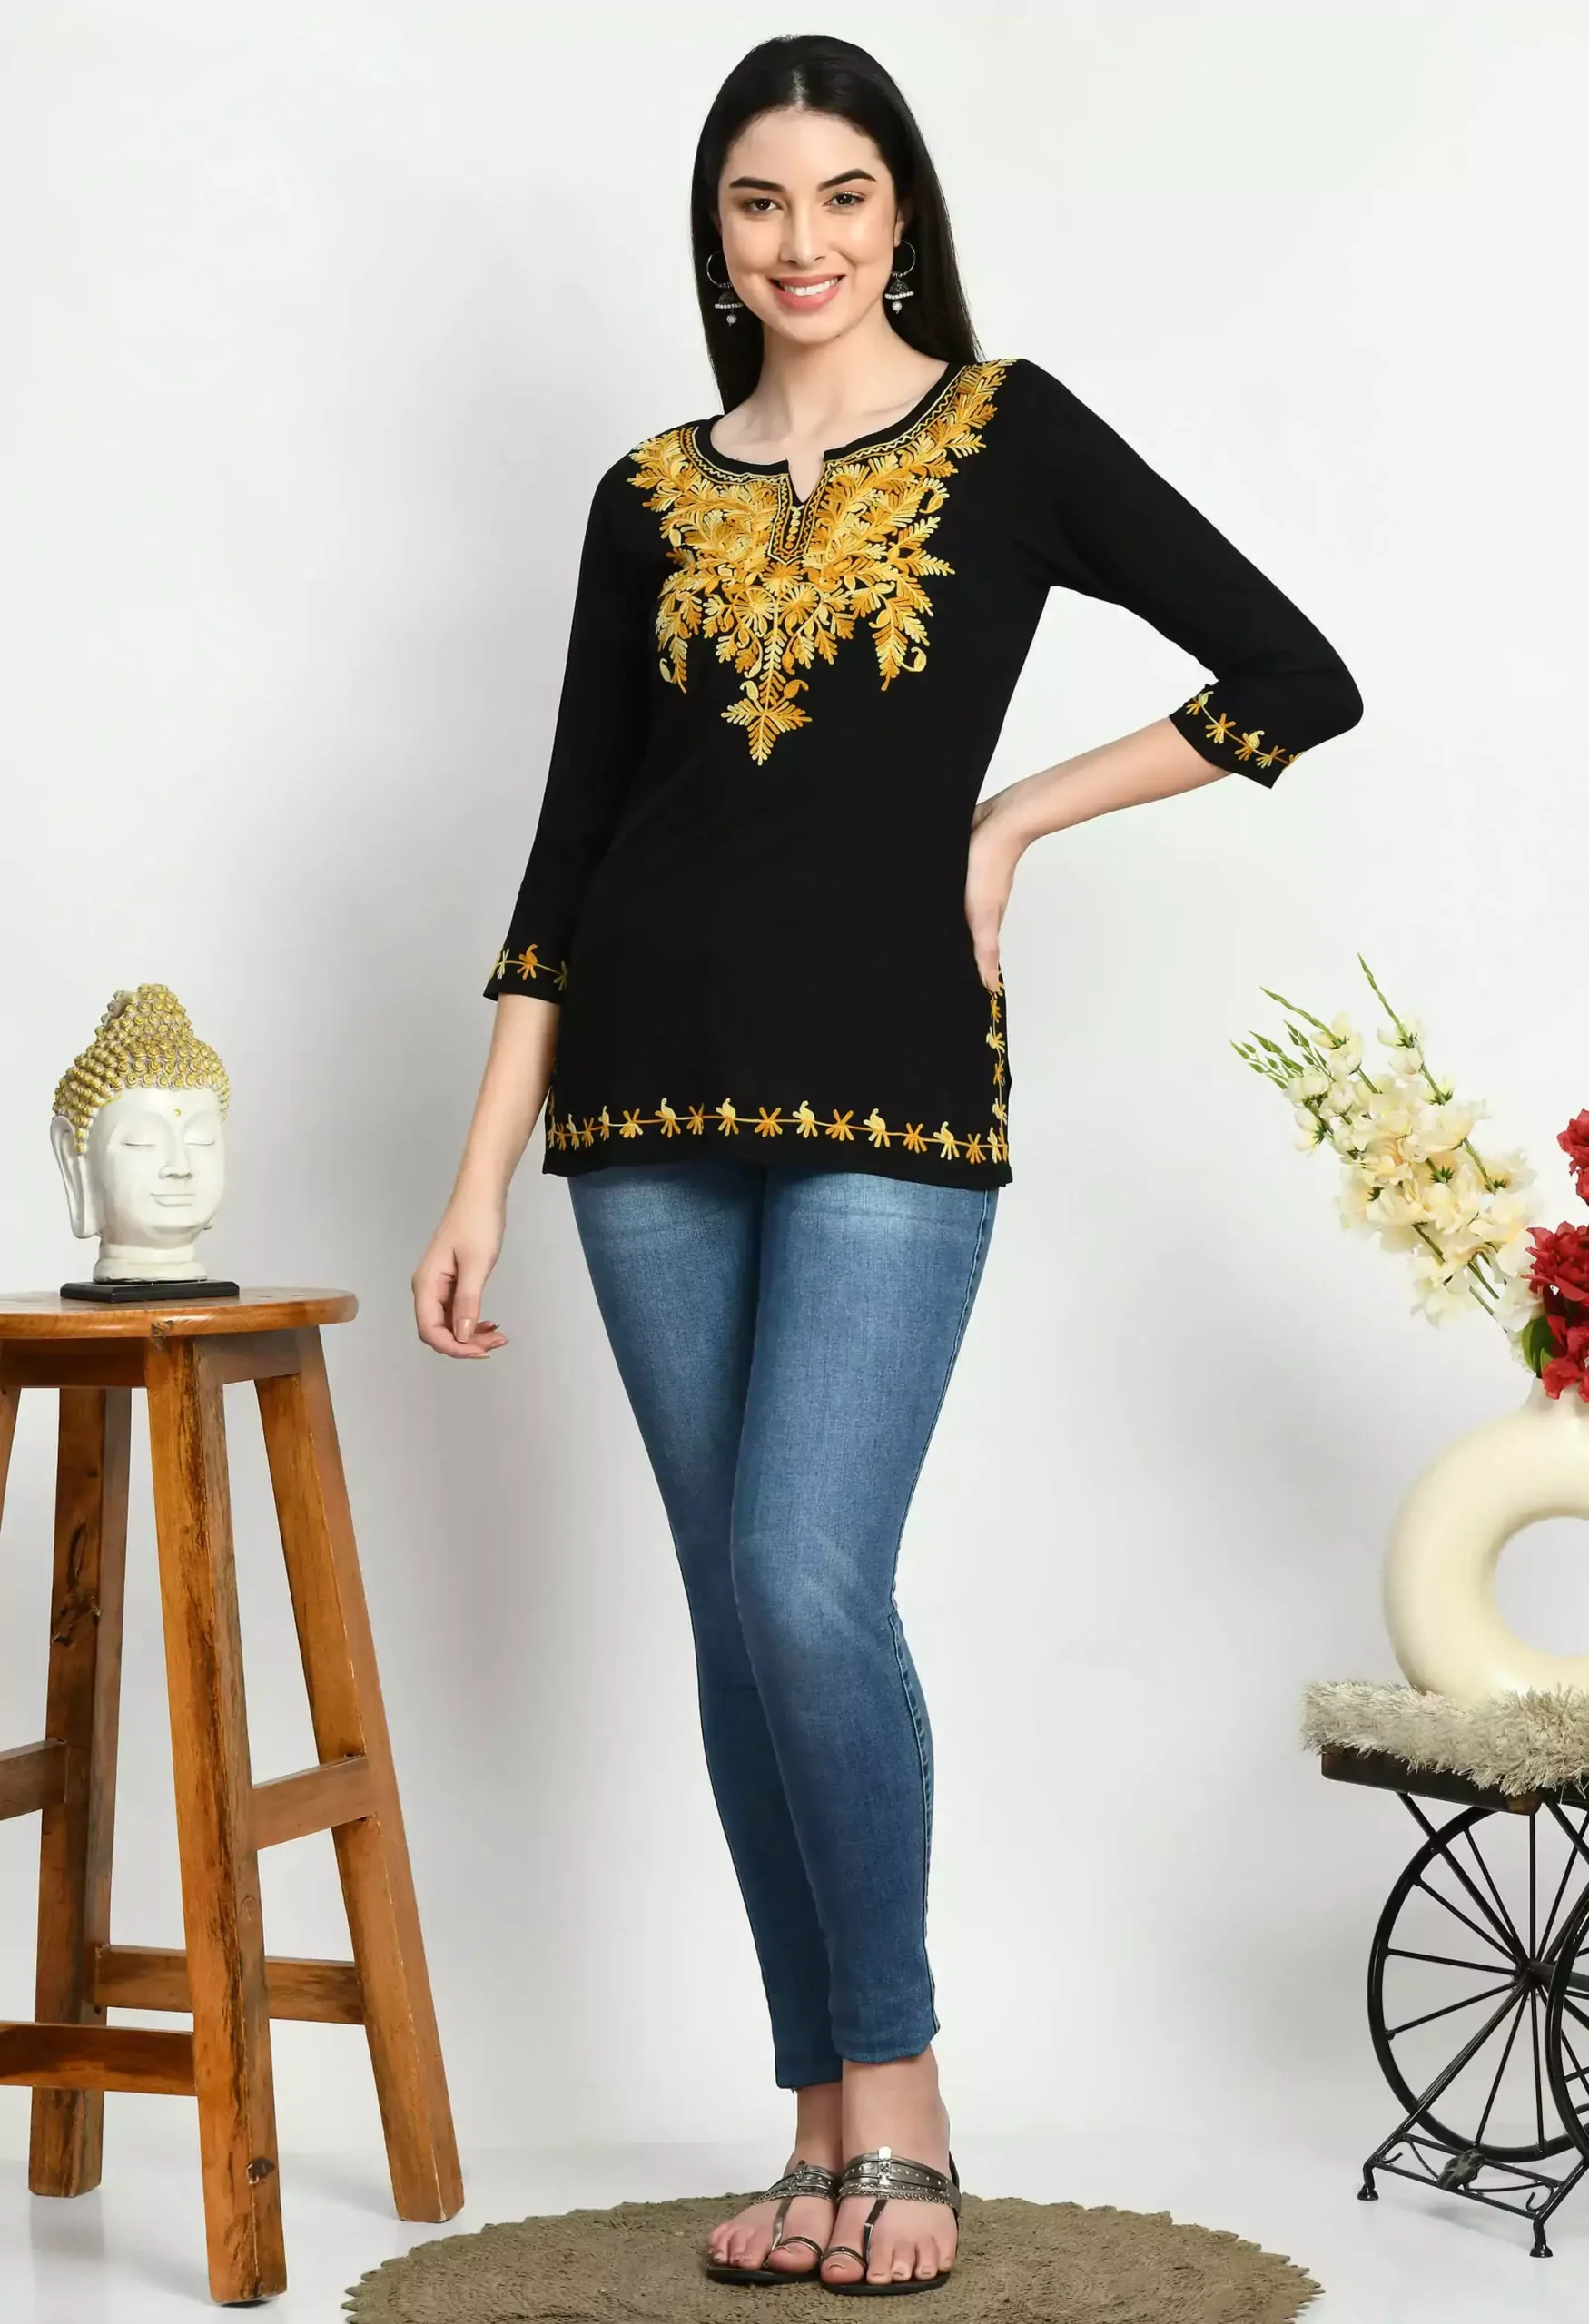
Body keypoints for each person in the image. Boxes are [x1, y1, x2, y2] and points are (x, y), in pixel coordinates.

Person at [412, 31, 1362, 2297]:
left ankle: (904, 2094)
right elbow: (566, 848)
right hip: (635, 1106)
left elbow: (1289, 669)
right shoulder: (644, 492)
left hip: (893, 1095)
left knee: (803, 1574)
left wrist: (1011, 815)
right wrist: (478, 1171)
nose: (801, 241)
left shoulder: (1008, 434)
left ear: (901, 213)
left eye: (841, 195)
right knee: (735, 1615)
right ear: (713, 229)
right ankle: (816, 2119)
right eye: (758, 200)